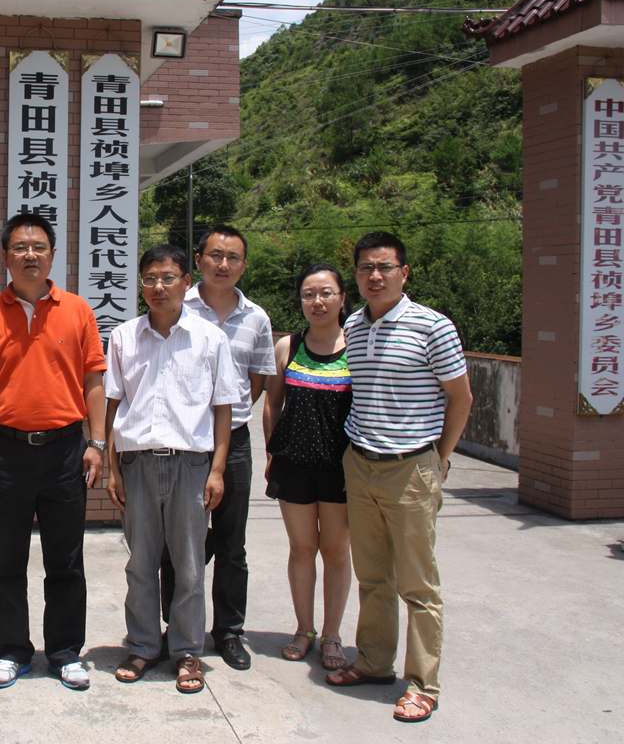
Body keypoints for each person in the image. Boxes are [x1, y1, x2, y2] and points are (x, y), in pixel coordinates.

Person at [325, 231, 472, 724]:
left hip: (411, 467)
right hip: (360, 462)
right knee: (373, 577)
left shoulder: (433, 327)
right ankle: (373, 662)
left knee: (418, 585)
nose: (375, 275)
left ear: (404, 273)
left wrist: (438, 458)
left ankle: (423, 683)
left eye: (384, 267)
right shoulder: (354, 326)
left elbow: (461, 398)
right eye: (366, 267)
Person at [0, 212, 107, 692]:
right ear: (4, 256)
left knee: (65, 559)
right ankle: (13, 651)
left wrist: (97, 443)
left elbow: (93, 381)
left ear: (52, 255)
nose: (30, 255)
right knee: (7, 560)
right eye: (20, 248)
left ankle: (65, 653)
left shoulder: (78, 310)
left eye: (39, 247)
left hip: (66, 450)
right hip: (6, 452)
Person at [104, 244, 239, 694]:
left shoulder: (210, 338)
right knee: (140, 563)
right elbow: (112, 404)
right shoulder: (124, 337)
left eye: (167, 278)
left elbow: (224, 408)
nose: (158, 287)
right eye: (149, 279)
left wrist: (217, 470)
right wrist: (113, 468)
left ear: (186, 282)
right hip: (137, 463)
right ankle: (143, 645)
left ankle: (186, 651)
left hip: (191, 465)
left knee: (190, 566)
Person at [164, 224, 276, 670]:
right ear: (198, 261)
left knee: (231, 542)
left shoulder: (257, 319)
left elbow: (256, 382)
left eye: (233, 257)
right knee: (176, 542)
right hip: (185, 439)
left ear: (244, 265)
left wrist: (228, 418)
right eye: (215, 255)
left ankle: (228, 631)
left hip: (236, 442)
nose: (223, 264)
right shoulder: (178, 306)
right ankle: (176, 627)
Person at [262, 263, 353, 671]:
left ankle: (332, 635)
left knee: (335, 552)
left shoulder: (357, 345)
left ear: (342, 298)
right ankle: (304, 629)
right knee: (301, 549)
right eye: (308, 294)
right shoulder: (288, 346)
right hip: (294, 464)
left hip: (342, 469)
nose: (317, 301)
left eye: (326, 293)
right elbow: (272, 403)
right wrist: (271, 453)